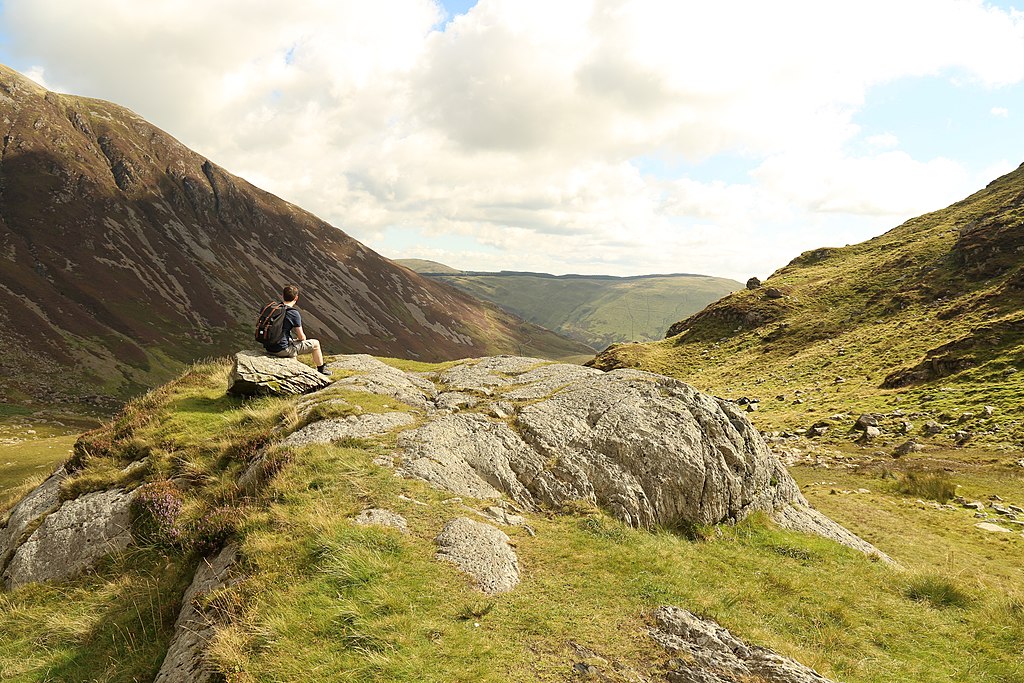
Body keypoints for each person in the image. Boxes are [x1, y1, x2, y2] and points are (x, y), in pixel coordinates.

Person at [267, 284, 331, 376]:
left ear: (283, 296)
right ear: (296, 298)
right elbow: (301, 337)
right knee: (316, 344)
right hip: (281, 350)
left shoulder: (274, 308)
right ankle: (321, 369)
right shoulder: (293, 313)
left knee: (291, 342)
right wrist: (300, 339)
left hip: (269, 347)